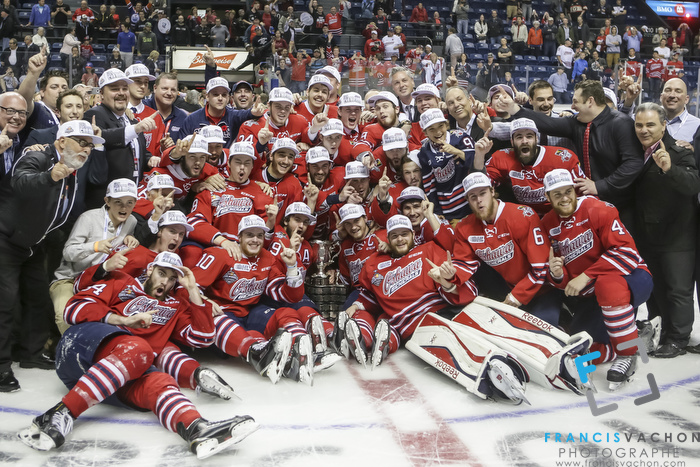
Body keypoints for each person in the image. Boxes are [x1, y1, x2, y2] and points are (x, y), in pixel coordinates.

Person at [19, 251, 259, 458]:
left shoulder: (175, 305)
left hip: (114, 376)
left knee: (161, 382)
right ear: (151, 270)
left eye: (172, 279)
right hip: (79, 348)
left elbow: (202, 337)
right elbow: (74, 309)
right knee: (141, 350)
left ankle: (196, 429)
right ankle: (59, 413)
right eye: (162, 274)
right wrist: (123, 320)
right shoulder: (122, 282)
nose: (165, 282)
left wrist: (193, 289)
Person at [0, 120, 103, 392]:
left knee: (37, 298)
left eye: (90, 145)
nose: (86, 149)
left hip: (33, 244)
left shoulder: (73, 170)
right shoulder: (38, 156)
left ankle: (30, 354)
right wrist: (50, 176)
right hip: (5, 240)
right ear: (61, 142)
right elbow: (20, 181)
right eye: (81, 142)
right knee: (5, 302)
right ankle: (0, 369)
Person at [542, 169, 653, 388]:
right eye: (557, 194)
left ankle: (628, 354)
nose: (564, 198)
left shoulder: (598, 209)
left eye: (568, 191)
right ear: (548, 197)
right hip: (592, 294)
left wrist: (586, 275)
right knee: (580, 346)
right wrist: (557, 275)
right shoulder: (547, 224)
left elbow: (626, 252)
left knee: (607, 284)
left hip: (632, 276)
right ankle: (636, 336)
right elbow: (567, 283)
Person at [504, 80, 643, 216]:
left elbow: (633, 163)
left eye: (576, 101)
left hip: (620, 206)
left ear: (590, 101)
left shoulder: (621, 123)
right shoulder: (577, 123)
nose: (572, 106)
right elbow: (548, 123)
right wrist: (514, 109)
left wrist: (599, 186)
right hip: (587, 203)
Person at [631, 103, 700, 358]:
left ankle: (679, 339)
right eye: (639, 125)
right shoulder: (633, 150)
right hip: (647, 235)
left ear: (663, 125)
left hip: (677, 235)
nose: (644, 130)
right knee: (655, 288)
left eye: (650, 125)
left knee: (678, 290)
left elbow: (693, 184)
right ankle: (660, 331)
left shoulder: (679, 150)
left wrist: (671, 169)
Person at [50, 178, 140, 335]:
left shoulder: (131, 221)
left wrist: (131, 238)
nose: (124, 207)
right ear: (107, 201)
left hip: (100, 281)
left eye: (130, 202)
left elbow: (126, 238)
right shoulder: (88, 218)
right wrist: (95, 246)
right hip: (69, 278)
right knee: (65, 316)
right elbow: (68, 252)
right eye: (118, 202)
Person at [83, 68, 158, 209]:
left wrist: (151, 159)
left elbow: (137, 152)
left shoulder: (131, 120)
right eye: (114, 89)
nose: (121, 93)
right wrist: (136, 129)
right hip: (105, 202)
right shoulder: (94, 115)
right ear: (101, 94)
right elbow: (103, 137)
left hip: (130, 198)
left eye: (125, 88)